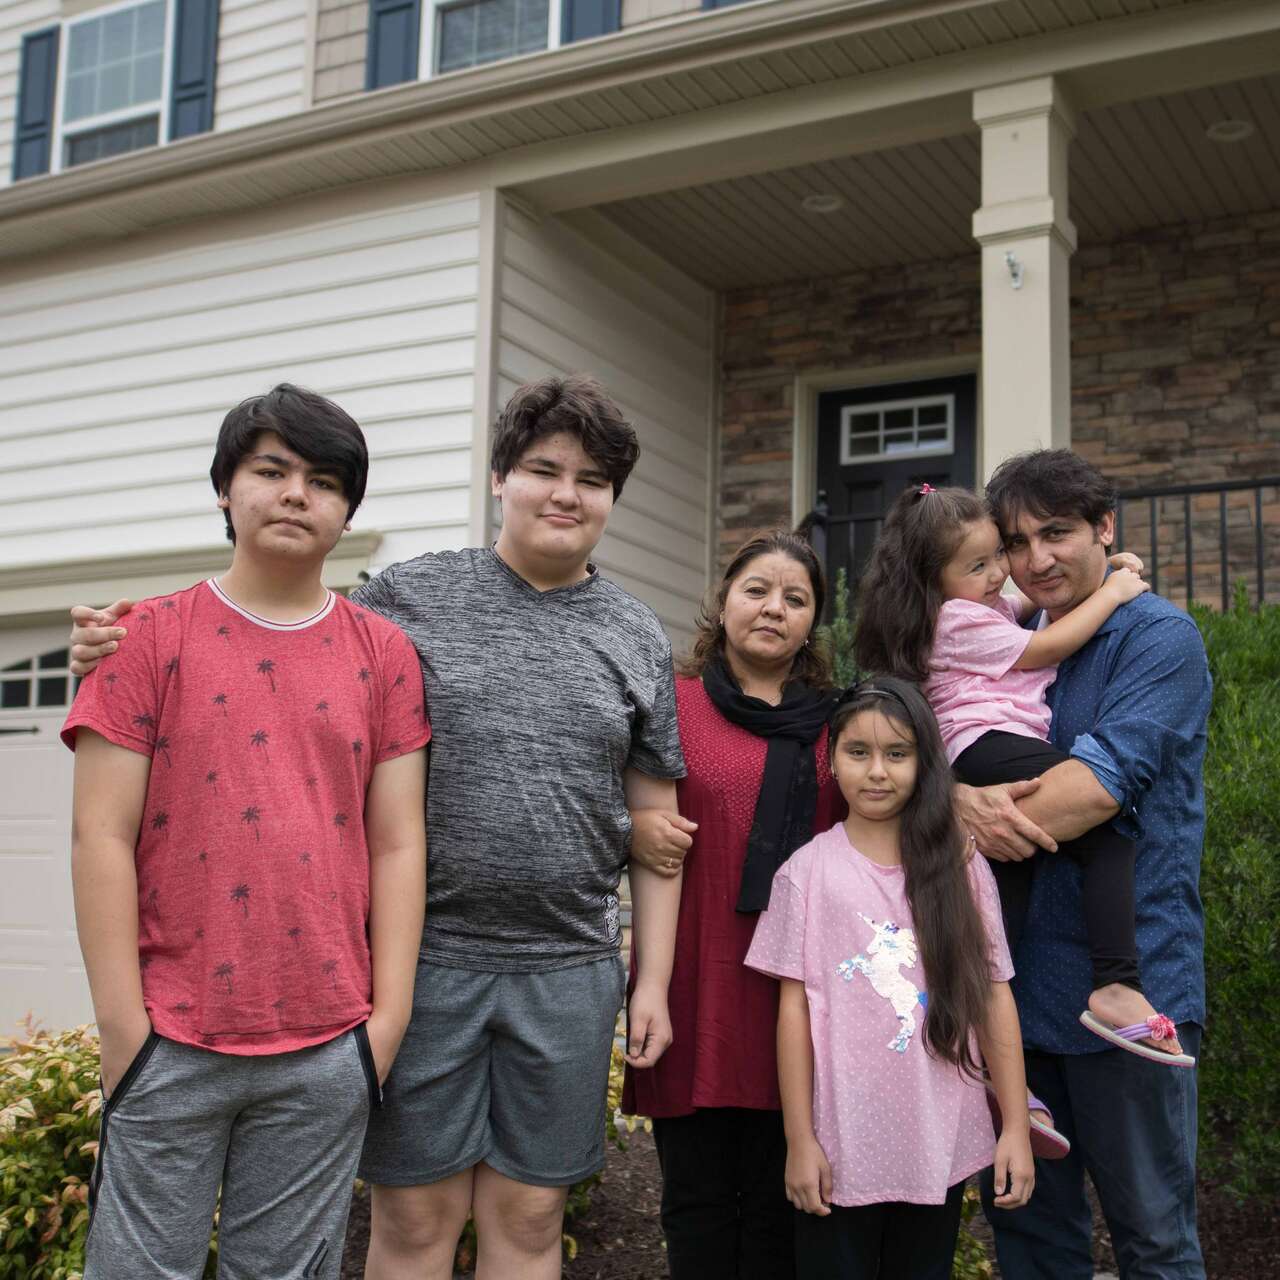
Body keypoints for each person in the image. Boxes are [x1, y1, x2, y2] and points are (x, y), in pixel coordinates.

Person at [69, 374, 686, 1280]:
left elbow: (653, 817)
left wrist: (651, 972)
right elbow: (247, 684)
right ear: (499, 480)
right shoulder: (409, 601)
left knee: (528, 1215)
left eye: (591, 480)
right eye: (543, 469)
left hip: (555, 966)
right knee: (413, 1216)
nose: (565, 492)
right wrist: (102, 653)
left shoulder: (631, 633)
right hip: (428, 959)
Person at [62, 385, 429, 1278]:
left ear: (348, 512)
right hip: (170, 1036)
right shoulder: (144, 637)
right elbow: (98, 836)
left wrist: (384, 1025)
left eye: (325, 480)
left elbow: (397, 842)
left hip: (327, 1043)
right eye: (272, 470)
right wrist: (122, 1028)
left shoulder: (386, 654)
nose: (297, 493)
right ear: (227, 487)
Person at [953, 450, 1212, 1279]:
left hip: (1130, 998)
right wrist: (951, 803)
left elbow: (1097, 791)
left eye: (1056, 533)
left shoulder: (1159, 639)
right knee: (1032, 1242)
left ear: (1105, 528)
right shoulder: (1007, 636)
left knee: (1154, 1241)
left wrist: (947, 819)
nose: (1035, 560)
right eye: (1018, 542)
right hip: (1015, 997)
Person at [856, 483, 1191, 1066]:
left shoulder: (978, 607)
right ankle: (1116, 985)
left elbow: (1035, 611)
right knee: (1111, 831)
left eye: (997, 557)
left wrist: (1107, 567)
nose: (1000, 574)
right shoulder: (958, 618)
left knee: (1001, 885)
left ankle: (987, 1045)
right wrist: (1113, 593)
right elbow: (1050, 642)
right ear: (935, 580)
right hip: (984, 743)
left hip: (978, 749)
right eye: (980, 564)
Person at [744, 678, 1033, 1279]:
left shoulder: (961, 867)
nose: (877, 772)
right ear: (831, 759)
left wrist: (1015, 1126)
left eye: (897, 754)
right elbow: (792, 1012)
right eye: (859, 752)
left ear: (924, 762)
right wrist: (799, 1141)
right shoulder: (805, 873)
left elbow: (994, 993)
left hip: (937, 1140)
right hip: (839, 1147)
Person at [624, 530, 846, 1280]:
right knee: (699, 1200)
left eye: (795, 598)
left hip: (799, 990)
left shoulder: (838, 724)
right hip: (697, 980)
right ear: (723, 601)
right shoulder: (671, 705)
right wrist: (633, 826)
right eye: (757, 590)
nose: (774, 609)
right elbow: (613, 809)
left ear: (813, 620)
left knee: (788, 1204)